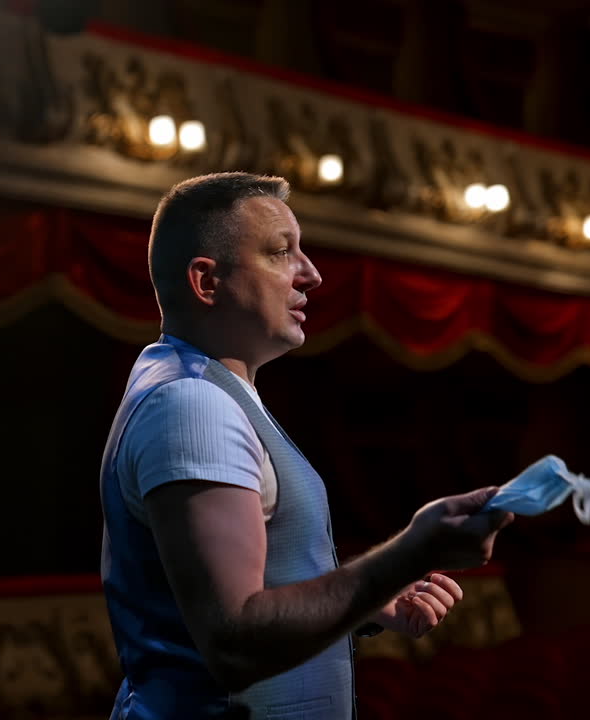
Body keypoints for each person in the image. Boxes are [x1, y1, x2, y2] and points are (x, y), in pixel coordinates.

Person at [99, 172, 515, 720]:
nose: (312, 275)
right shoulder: (192, 406)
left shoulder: (206, 388)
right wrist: (410, 553)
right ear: (207, 282)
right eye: (280, 253)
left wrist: (369, 600)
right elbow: (235, 640)